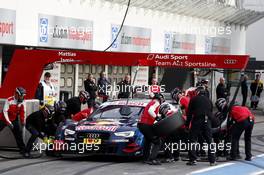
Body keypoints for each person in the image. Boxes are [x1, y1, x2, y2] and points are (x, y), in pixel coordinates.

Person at [185, 87, 216, 166]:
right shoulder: (209, 101)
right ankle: (212, 160)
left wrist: (187, 125)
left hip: (197, 120)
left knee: (192, 139)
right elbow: (211, 112)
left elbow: (189, 113)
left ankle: (193, 159)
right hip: (207, 121)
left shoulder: (194, 99)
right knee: (209, 141)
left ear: (198, 92)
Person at [138, 93, 165, 165]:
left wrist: (157, 117)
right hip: (146, 125)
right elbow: (150, 111)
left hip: (141, 124)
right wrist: (156, 117)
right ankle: (152, 159)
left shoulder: (150, 102)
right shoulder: (156, 102)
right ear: (160, 98)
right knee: (157, 142)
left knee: (148, 141)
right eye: (162, 99)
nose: (162, 101)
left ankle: (145, 158)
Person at [0, 87, 27, 155]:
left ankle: (23, 150)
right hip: (3, 119)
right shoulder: (9, 100)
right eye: (21, 95)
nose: (22, 97)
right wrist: (9, 123)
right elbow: (5, 112)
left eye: (23, 96)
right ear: (17, 94)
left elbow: (22, 112)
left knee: (18, 134)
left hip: (13, 119)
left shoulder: (23, 101)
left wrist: (22, 121)